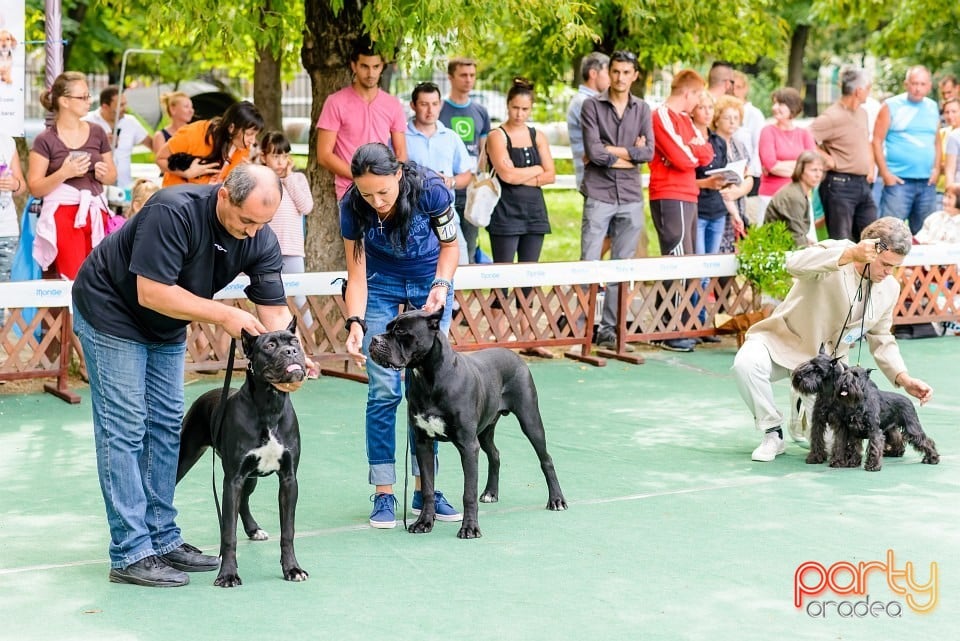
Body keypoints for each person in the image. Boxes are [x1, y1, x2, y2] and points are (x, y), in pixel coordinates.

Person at [72, 164, 308, 587]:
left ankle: (162, 538)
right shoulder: (173, 210)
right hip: (112, 309)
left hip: (166, 323)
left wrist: (288, 359)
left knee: (165, 427)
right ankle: (131, 551)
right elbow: (151, 290)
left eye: (262, 223)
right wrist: (222, 314)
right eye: (246, 221)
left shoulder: (260, 237)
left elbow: (274, 314)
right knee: (126, 428)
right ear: (223, 196)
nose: (254, 232)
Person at [731, 216, 933, 462]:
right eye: (885, 264)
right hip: (782, 341)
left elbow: (881, 337)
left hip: (828, 370)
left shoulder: (889, 288)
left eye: (895, 266)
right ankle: (772, 431)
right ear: (869, 249)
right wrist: (850, 254)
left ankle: (801, 409)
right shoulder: (836, 251)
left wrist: (904, 378)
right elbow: (794, 263)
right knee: (746, 365)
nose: (889, 272)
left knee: (827, 446)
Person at [340, 142, 460, 529]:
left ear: (398, 175)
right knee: (384, 390)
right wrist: (355, 321)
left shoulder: (431, 189)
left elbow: (451, 245)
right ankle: (384, 492)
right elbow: (355, 275)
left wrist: (441, 284)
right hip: (380, 281)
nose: (376, 201)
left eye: (383, 192)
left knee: (429, 390)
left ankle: (426, 490)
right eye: (366, 193)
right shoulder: (352, 207)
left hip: (430, 278)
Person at [579, 50, 653, 351]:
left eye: (627, 72)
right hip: (599, 193)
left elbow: (647, 154)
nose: (621, 77)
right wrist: (629, 153)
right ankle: (582, 329)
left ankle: (609, 330)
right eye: (617, 71)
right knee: (589, 263)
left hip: (631, 196)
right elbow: (594, 153)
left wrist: (613, 151)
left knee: (622, 267)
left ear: (635, 75)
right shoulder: (591, 106)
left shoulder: (643, 109)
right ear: (609, 72)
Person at [649, 69, 720, 352]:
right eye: (697, 97)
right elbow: (684, 157)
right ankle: (669, 328)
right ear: (687, 93)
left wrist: (691, 152)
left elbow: (707, 153)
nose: (698, 104)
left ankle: (671, 323)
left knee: (687, 261)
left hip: (688, 193)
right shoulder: (662, 115)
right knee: (676, 260)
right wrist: (691, 152)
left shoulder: (686, 121)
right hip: (669, 193)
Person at [28, 71, 117, 280]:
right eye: (83, 97)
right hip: (64, 214)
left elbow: (113, 175)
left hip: (95, 210)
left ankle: (92, 313)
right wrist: (64, 173)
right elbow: (35, 187)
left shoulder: (97, 132)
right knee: (73, 278)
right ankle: (72, 314)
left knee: (100, 277)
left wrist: (104, 174)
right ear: (65, 101)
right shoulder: (46, 139)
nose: (89, 101)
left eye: (88, 96)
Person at [316, 38, 407, 203]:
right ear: (354, 66)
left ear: (382, 67)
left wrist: (386, 181)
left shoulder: (393, 104)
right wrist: (362, 177)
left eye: (376, 67)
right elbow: (324, 155)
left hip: (384, 190)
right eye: (365, 66)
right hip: (350, 192)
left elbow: (401, 153)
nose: (371, 73)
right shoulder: (335, 102)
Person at [486, 78, 555, 274]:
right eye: (515, 107)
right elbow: (507, 176)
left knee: (529, 274)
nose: (519, 113)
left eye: (525, 109)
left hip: (535, 213)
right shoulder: (497, 136)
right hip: (505, 213)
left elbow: (551, 175)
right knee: (502, 274)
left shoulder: (537, 136)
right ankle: (497, 307)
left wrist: (520, 174)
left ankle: (524, 307)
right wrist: (536, 169)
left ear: (531, 108)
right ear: (508, 105)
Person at [404, 81, 472, 264]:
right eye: (424, 104)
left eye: (434, 104)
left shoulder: (451, 137)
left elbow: (467, 174)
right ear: (413, 105)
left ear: (441, 104)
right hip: (413, 221)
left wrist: (451, 181)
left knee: (462, 269)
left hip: (448, 216)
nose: (430, 110)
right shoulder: (400, 137)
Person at [809, 67, 877, 242]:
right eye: (868, 87)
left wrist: (870, 167)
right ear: (858, 91)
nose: (869, 91)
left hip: (863, 184)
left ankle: (867, 271)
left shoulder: (862, 113)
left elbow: (864, 141)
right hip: (839, 185)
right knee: (842, 242)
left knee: (872, 238)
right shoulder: (832, 116)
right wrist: (827, 158)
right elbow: (805, 139)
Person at [873, 66, 940, 234]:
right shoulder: (890, 106)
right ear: (906, 84)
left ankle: (920, 262)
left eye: (922, 84)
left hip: (927, 184)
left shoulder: (933, 107)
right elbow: (876, 140)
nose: (918, 88)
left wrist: (937, 169)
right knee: (888, 236)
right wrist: (885, 174)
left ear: (929, 86)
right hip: (898, 183)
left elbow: (937, 142)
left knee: (927, 236)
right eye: (914, 83)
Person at [439, 57, 493, 264]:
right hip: (446, 190)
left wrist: (480, 180)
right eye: (463, 75)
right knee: (444, 248)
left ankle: (463, 295)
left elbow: (483, 151)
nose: (468, 80)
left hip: (472, 192)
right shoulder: (440, 109)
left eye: (472, 75)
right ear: (451, 77)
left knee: (469, 248)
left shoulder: (480, 111)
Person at [259, 131, 315, 324]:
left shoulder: (297, 180)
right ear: (263, 157)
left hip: (292, 249)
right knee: (266, 298)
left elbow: (306, 207)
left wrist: (289, 178)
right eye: (275, 156)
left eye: (284, 155)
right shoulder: (259, 180)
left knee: (300, 298)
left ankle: (310, 342)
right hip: (264, 251)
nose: (281, 161)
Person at [156, 100, 264, 187]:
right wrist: (187, 173)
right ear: (232, 128)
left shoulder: (243, 146)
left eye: (255, 135)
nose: (253, 141)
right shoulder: (194, 133)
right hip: (177, 200)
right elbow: (160, 159)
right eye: (249, 134)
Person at [757, 87, 816, 218]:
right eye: (774, 103)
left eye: (780, 104)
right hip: (771, 195)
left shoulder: (804, 134)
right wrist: (800, 168)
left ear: (793, 107)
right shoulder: (768, 131)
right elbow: (770, 165)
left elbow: (813, 165)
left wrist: (783, 164)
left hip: (800, 195)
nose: (775, 107)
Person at [83, 85, 154, 191]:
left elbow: (152, 144)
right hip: (96, 188)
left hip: (124, 187)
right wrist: (100, 144)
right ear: (105, 106)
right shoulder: (86, 121)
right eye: (120, 105)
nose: (125, 108)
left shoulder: (131, 122)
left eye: (125, 104)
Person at [711, 95, 751, 254]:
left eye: (736, 117)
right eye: (727, 117)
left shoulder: (739, 145)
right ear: (717, 119)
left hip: (739, 204)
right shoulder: (712, 143)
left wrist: (740, 191)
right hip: (720, 207)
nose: (732, 121)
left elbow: (749, 177)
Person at [763, 150, 826, 247]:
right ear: (800, 170)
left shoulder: (799, 191)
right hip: (778, 250)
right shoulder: (794, 196)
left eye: (821, 170)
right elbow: (796, 237)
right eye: (813, 170)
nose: (818, 175)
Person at [567, 52, 611, 190]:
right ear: (593, 73)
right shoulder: (584, 102)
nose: (612, 78)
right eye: (608, 72)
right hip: (594, 180)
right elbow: (609, 136)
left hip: (600, 179)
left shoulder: (595, 102)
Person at [731, 71, 766, 226]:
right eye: (732, 87)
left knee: (749, 219)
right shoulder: (721, 111)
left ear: (745, 89)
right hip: (731, 173)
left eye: (738, 87)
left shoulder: (754, 114)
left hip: (750, 174)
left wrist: (751, 172)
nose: (734, 91)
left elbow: (758, 145)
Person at [0, 133, 27, 284]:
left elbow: (21, 186)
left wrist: (14, 184)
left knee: (3, 293)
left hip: (6, 230)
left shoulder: (7, 141)